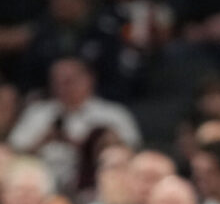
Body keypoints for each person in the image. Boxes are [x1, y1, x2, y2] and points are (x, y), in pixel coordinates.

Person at [7, 56, 141, 193]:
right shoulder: (38, 113)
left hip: (98, 186)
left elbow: (134, 151)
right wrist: (42, 141)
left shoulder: (113, 114)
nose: (62, 87)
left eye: (68, 81)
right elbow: (12, 151)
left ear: (88, 79)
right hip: (43, 187)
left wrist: (106, 142)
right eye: (56, 82)